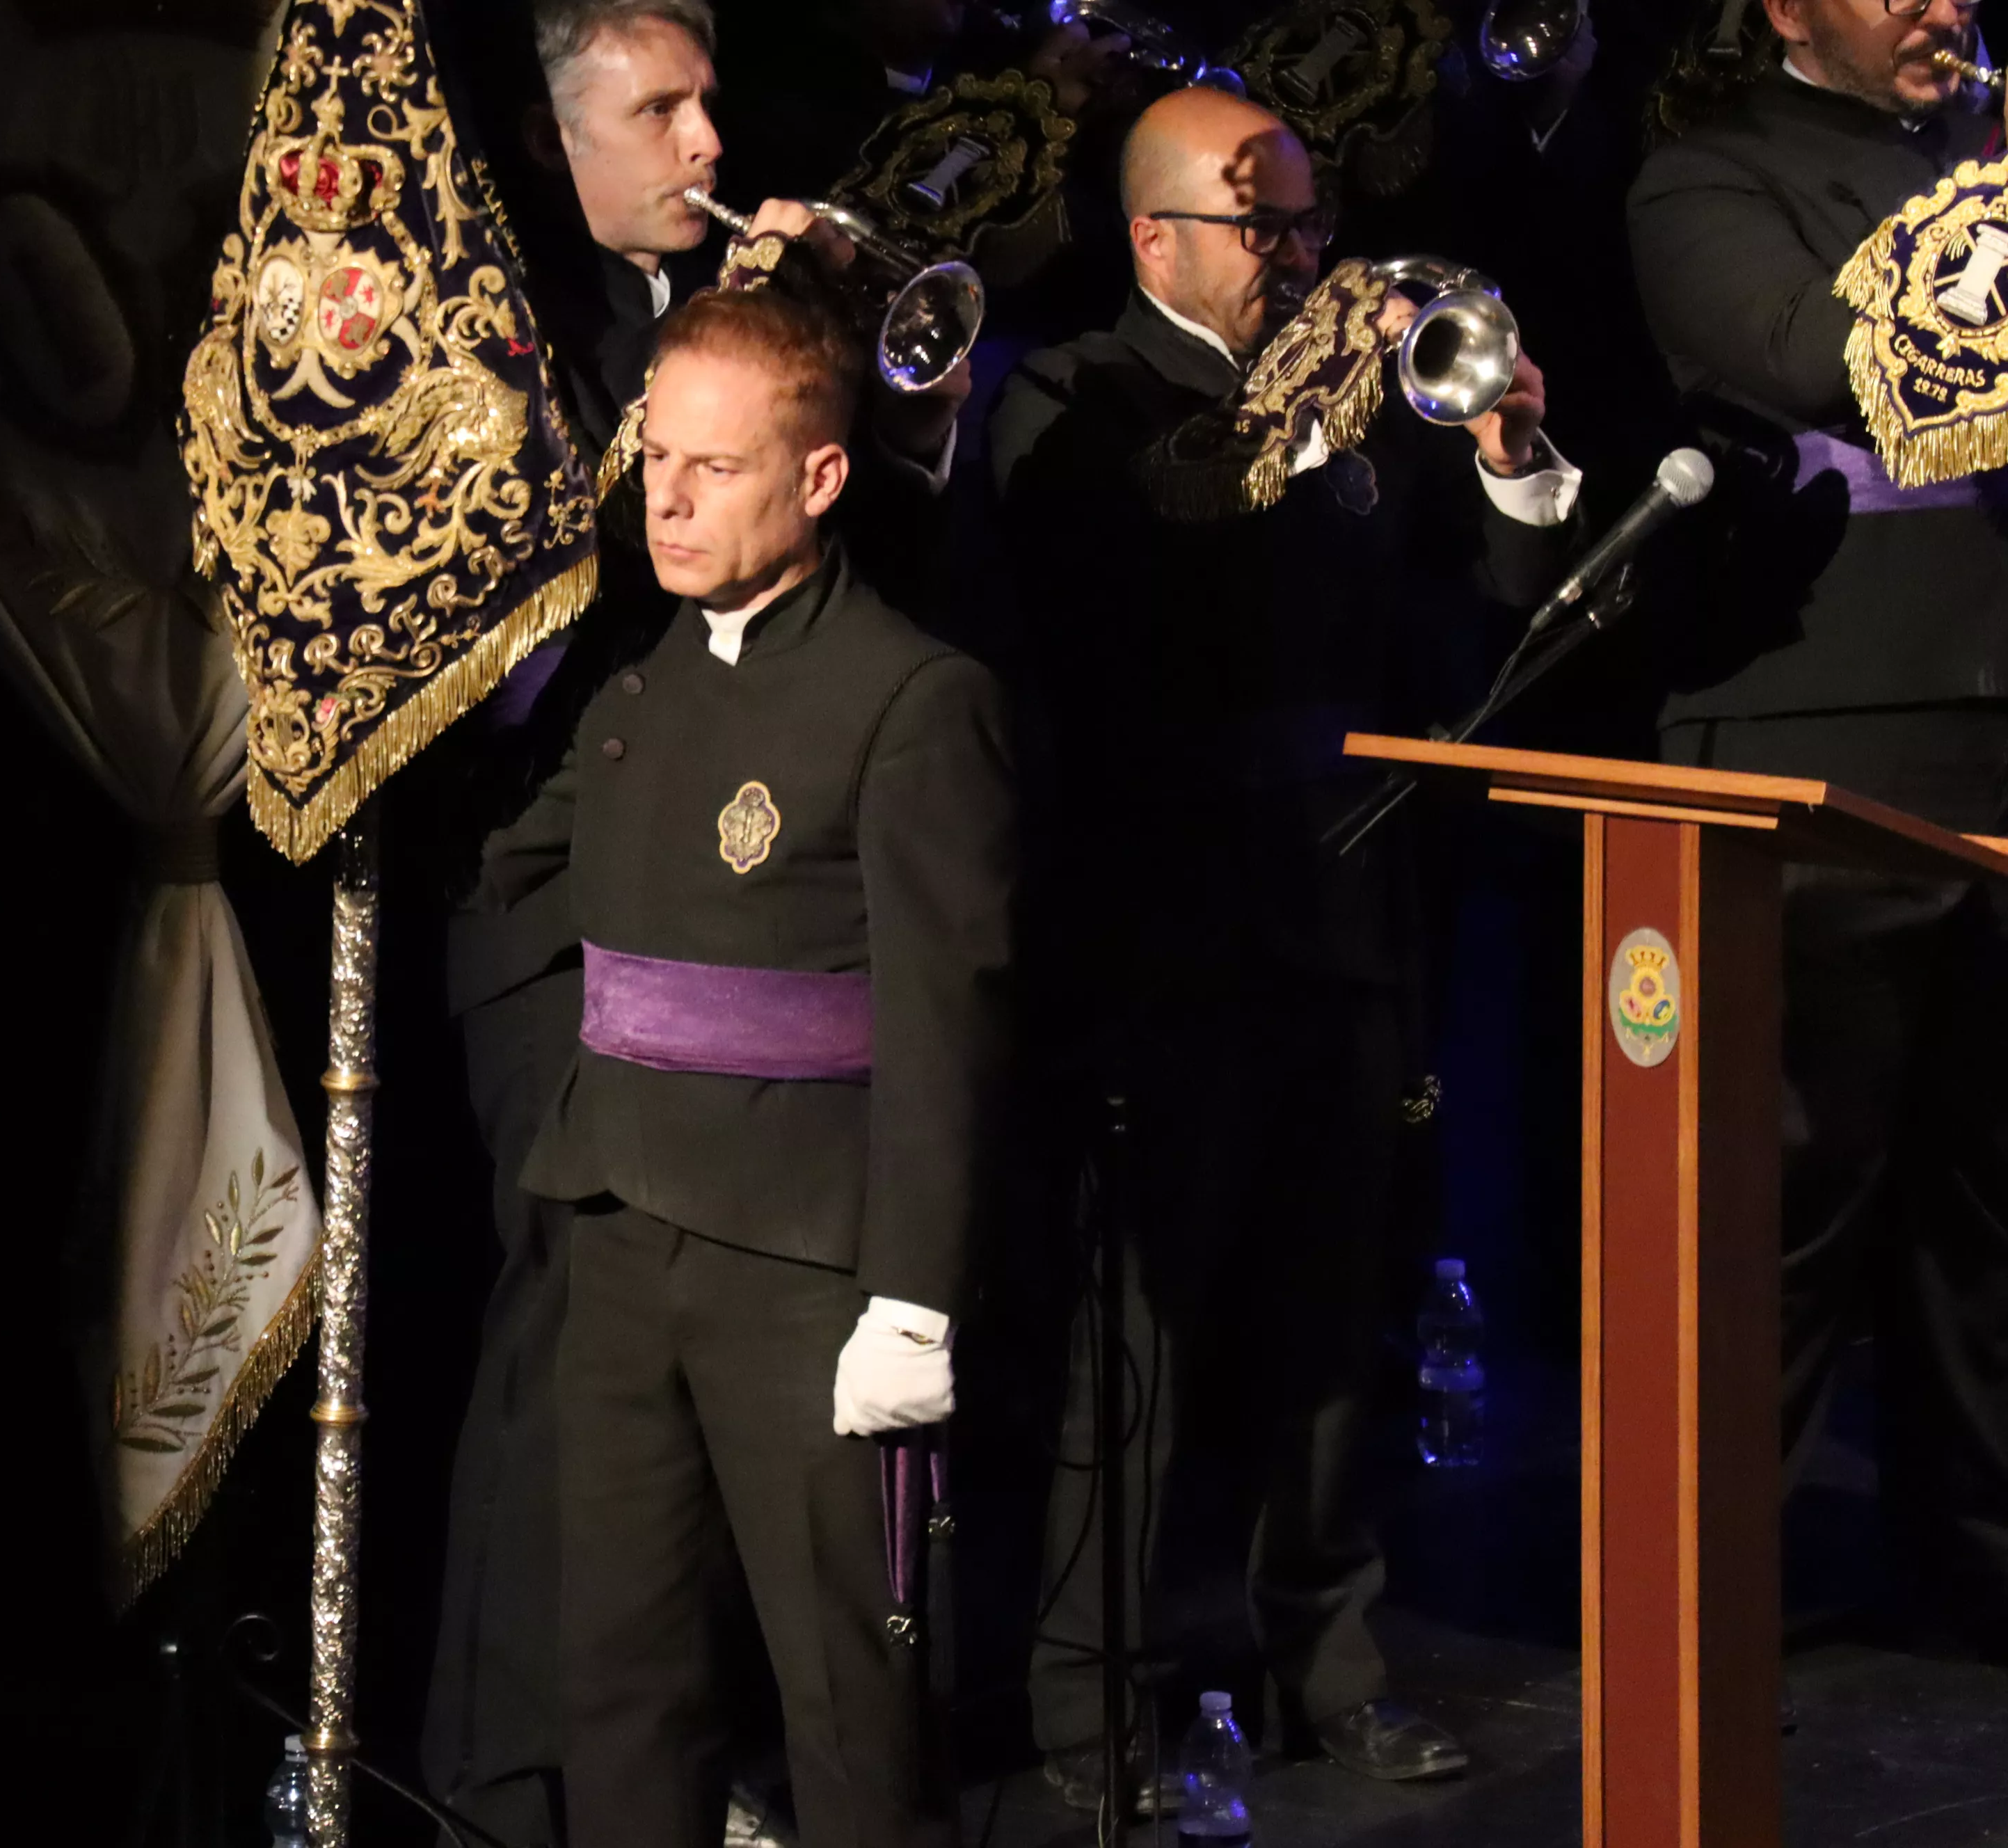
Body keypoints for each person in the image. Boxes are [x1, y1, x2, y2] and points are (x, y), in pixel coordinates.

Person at [985, 85, 1584, 1807]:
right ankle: (1116, 1708)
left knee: (1337, 1320)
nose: (1308, 255)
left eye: (1317, 223)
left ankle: (1327, 1666)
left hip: (1346, 907)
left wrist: (1506, 446)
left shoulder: (1359, 398)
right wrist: (1311, 417)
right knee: (1155, 1349)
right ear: (1158, 235)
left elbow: (1482, 602)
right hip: (1165, 930)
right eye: (1273, 228)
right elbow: (1126, 606)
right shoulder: (1073, 396)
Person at [422, 5, 980, 1839]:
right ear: (553, 132)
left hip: (788, 1096)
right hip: (583, 982)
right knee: (601, 1574)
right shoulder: (491, 316)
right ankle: (512, 1779)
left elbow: (937, 996)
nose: (700, 137)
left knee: (826, 1633)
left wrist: (809, 343)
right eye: (655, 107)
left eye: (710, 98)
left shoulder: (899, 683)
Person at [1626, 0, 2007, 1659]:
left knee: (1992, 1202)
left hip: (1998, 724)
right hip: (1825, 736)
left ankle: (1979, 1560)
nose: (1944, 2)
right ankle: (1706, 1600)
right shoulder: (1709, 178)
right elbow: (1817, 361)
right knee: (1790, 1200)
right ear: (1788, 10)